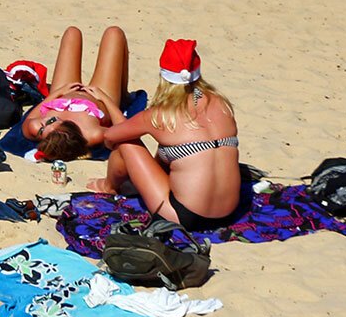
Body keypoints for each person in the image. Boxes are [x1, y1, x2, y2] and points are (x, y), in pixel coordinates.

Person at [92, 40, 244, 229]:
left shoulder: (160, 115)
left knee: (126, 143)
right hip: (230, 214)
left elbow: (111, 136)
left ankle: (108, 187)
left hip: (183, 216)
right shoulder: (221, 104)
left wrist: (106, 101)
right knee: (177, 151)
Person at [22, 26, 133, 162]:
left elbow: (28, 120)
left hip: (64, 92)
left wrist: (57, 93)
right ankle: (123, 93)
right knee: (114, 33)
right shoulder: (92, 134)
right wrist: (103, 97)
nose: (45, 121)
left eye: (44, 126)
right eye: (51, 121)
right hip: (99, 96)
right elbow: (124, 130)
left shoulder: (37, 128)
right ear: (65, 132)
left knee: (72, 32)